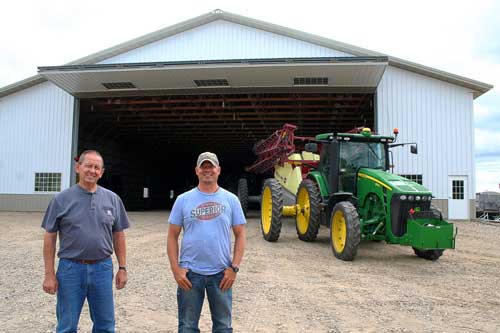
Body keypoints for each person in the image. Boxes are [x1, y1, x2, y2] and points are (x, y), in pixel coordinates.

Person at [42, 150, 130, 333]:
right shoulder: (61, 200)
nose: (92, 170)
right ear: (78, 168)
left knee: (105, 325)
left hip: (102, 269)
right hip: (70, 270)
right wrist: (49, 274)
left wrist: (122, 268)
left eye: (97, 167)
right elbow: (50, 238)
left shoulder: (113, 199)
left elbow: (119, 235)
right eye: (88, 166)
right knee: (67, 325)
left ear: (102, 172)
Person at [167, 152, 246, 332]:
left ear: (218, 170)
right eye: (203, 166)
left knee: (223, 327)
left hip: (221, 274)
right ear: (197, 170)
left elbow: (240, 235)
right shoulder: (183, 200)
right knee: (187, 327)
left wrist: (234, 268)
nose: (207, 170)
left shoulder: (231, 200)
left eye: (211, 166)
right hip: (190, 275)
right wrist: (176, 270)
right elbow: (172, 235)